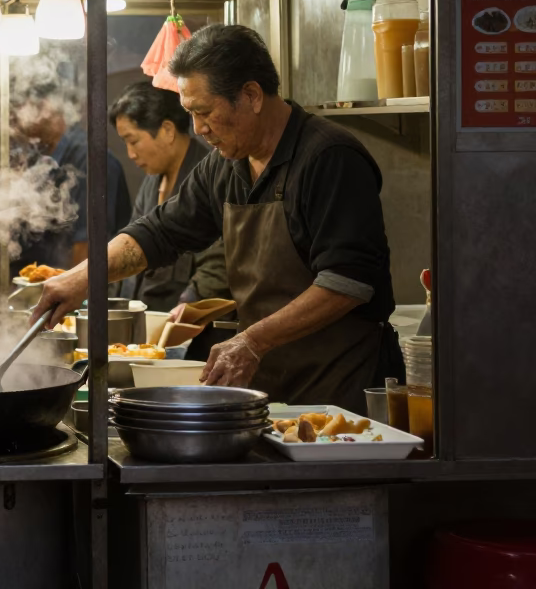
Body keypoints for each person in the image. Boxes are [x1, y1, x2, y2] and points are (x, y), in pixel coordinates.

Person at [33, 25, 396, 412]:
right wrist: (80, 279)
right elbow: (161, 232)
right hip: (272, 387)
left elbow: (348, 282)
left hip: (343, 391)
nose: (199, 129)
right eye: (190, 114)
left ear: (252, 96)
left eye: (204, 113)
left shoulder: (329, 157)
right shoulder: (225, 167)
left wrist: (252, 340)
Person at [110, 81, 230, 317]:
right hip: (141, 330)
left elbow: (219, 264)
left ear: (167, 130)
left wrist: (188, 307)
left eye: (133, 141)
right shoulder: (151, 182)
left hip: (187, 331)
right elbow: (131, 244)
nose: (130, 154)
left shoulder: (209, 177)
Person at [16, 85, 130, 269]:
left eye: (22, 108)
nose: (17, 121)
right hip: (57, 282)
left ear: (48, 107)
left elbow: (87, 246)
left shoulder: (89, 159)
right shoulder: (44, 161)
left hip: (89, 289)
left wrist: (68, 291)